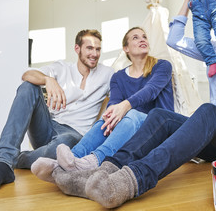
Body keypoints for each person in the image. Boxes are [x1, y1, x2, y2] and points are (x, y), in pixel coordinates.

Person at [49, 0, 216, 208]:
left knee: (209, 112)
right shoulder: (214, 50)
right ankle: (106, 169)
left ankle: (133, 179)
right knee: (160, 116)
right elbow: (175, 40)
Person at [0, 29, 114, 195]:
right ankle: (3, 162)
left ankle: (5, 159)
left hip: (74, 135)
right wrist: (48, 79)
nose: (94, 53)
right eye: (89, 48)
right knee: (28, 86)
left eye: (98, 49)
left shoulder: (108, 74)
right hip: (48, 126)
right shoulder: (62, 68)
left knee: (65, 145)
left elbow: (120, 96)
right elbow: (27, 74)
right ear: (77, 49)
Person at [30, 27, 174, 185]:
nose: (142, 39)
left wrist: (125, 106)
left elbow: (151, 91)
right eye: (135, 37)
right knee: (108, 118)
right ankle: (64, 163)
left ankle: (94, 161)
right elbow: (113, 104)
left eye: (144, 36)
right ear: (125, 48)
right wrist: (112, 114)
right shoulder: (118, 77)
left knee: (131, 114)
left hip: (160, 128)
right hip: (132, 132)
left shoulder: (162, 66)